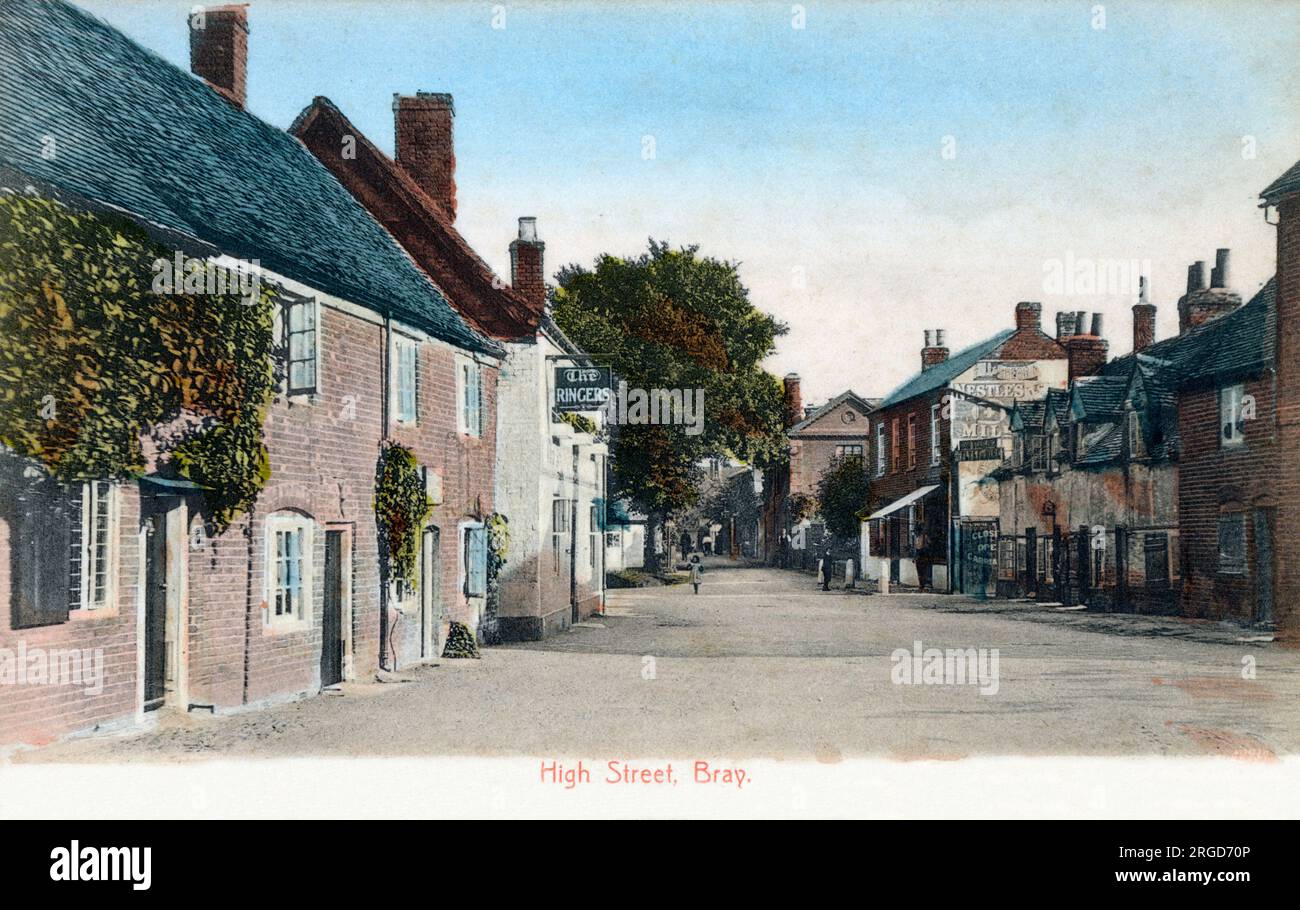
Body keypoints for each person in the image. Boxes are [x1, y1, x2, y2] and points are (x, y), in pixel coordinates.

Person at [914, 527, 932, 592]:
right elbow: (916, 548)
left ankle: (924, 585)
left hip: (923, 556)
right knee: (920, 572)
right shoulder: (917, 538)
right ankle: (921, 585)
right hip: (919, 556)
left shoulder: (924, 537)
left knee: (924, 572)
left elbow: (930, 544)